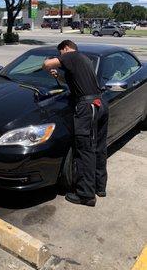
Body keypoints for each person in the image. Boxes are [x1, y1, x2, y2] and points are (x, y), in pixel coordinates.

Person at [42, 40, 109, 207]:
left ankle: (86, 194)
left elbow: (47, 64)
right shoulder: (84, 59)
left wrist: (48, 63)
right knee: (99, 147)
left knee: (84, 150)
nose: (60, 57)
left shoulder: (71, 55)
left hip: (87, 108)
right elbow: (76, 83)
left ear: (65, 48)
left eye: (60, 53)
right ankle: (100, 187)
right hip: (99, 104)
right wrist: (60, 76)